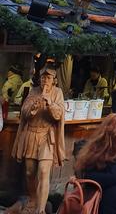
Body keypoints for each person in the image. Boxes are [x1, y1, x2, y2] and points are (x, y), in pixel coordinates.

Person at [11, 65, 65, 214]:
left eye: (48, 78)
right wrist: (32, 109)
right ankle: (34, 199)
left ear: (54, 80)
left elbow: (59, 114)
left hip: (47, 137)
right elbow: (24, 113)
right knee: (29, 172)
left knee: (43, 171)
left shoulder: (57, 93)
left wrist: (49, 103)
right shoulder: (33, 91)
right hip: (31, 135)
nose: (45, 80)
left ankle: (40, 210)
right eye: (43, 77)